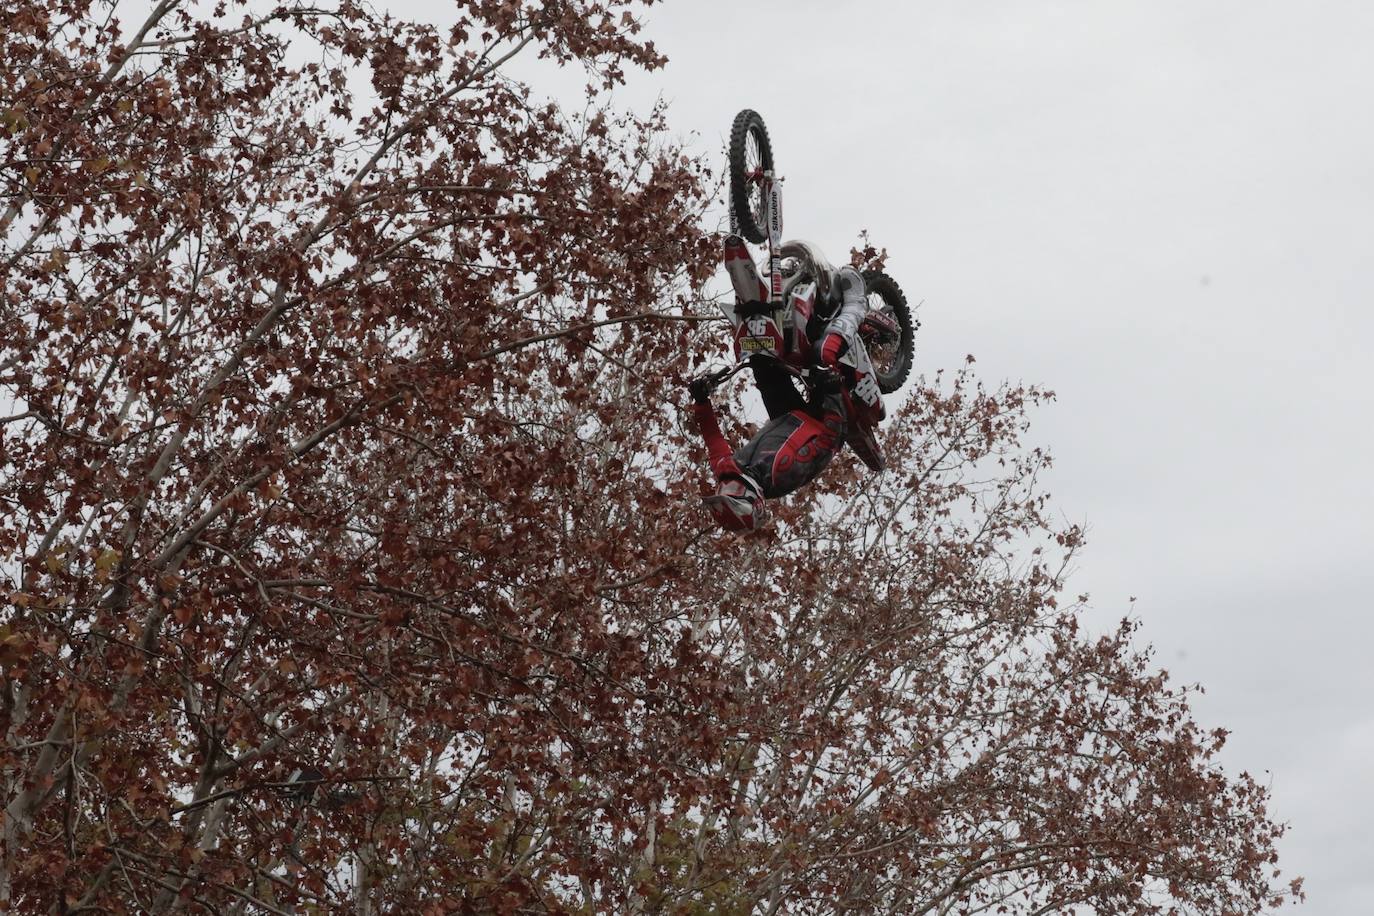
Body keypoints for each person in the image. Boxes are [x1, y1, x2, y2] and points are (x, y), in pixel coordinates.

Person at [691, 239, 873, 532]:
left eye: (725, 493)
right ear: (753, 501)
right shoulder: (781, 475)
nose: (727, 489)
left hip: (788, 416)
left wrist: (701, 401)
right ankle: (855, 306)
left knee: (762, 359)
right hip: (825, 421)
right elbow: (827, 443)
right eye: (733, 496)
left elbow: (712, 438)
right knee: (823, 354)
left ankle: (776, 310)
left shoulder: (730, 472)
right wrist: (829, 391)